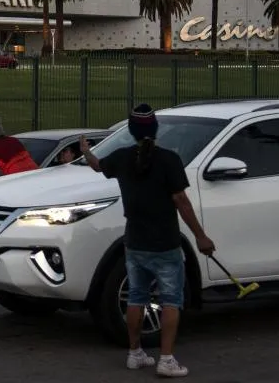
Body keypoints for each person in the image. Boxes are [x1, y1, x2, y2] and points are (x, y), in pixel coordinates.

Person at [79, 104, 214, 378]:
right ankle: (166, 359)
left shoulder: (121, 158)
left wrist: (86, 151)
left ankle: (135, 353)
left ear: (131, 130)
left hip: (134, 241)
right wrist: (201, 236)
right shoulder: (169, 160)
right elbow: (181, 200)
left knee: (137, 297)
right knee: (171, 300)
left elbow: (96, 165)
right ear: (155, 128)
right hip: (165, 242)